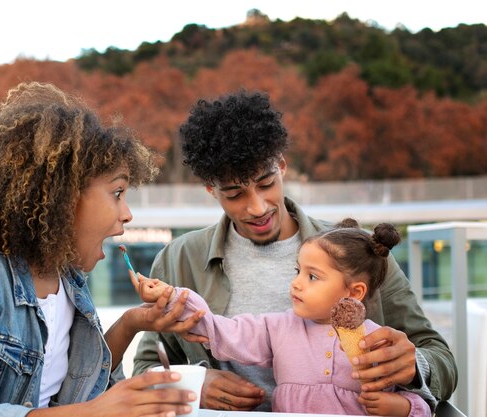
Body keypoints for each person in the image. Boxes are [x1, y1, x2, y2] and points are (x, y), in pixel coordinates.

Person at [0, 82, 205, 417]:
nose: (127, 213)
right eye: (117, 192)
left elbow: (72, 389)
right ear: (63, 197)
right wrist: (94, 412)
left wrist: (131, 323)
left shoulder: (68, 278)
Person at [133, 90, 457, 412]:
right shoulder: (178, 261)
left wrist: (414, 367)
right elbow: (147, 366)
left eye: (265, 183)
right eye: (234, 194)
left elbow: (440, 359)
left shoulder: (358, 252)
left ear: (282, 166)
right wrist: (193, 384)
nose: (257, 207)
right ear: (210, 190)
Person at [133, 220, 431, 416]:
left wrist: (402, 408)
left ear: (354, 293)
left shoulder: (380, 342)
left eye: (312, 276)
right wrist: (172, 296)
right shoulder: (278, 328)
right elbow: (221, 330)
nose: (297, 283)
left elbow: (422, 404)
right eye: (297, 271)